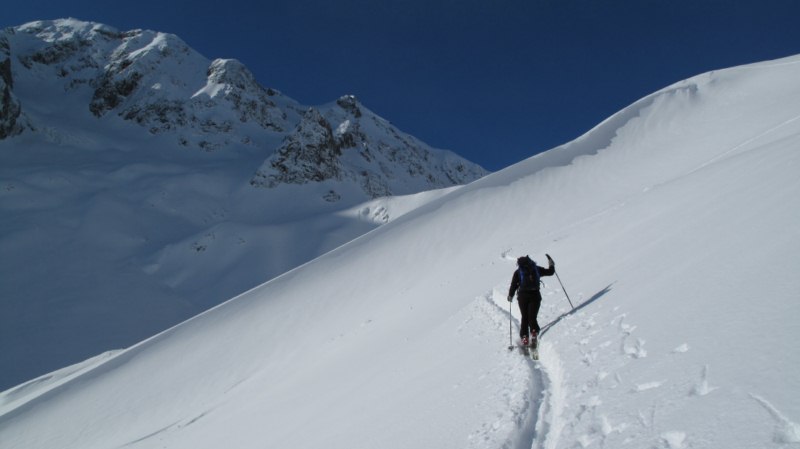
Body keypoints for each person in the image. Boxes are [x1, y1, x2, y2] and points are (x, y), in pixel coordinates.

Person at [507, 254, 555, 346]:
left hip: (522, 297)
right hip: (535, 296)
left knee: (525, 316)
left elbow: (513, 285)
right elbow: (550, 272)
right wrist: (551, 264)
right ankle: (534, 332)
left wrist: (510, 295)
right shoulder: (536, 269)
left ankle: (525, 337)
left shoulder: (518, 272)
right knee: (532, 316)